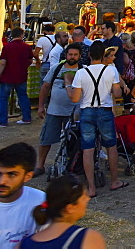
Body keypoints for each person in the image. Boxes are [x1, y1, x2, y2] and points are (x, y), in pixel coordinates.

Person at [68, 42, 125, 196]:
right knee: (111, 146)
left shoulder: (81, 73)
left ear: (89, 55)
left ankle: (91, 187)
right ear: (103, 56)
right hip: (105, 110)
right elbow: (118, 94)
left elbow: (75, 98)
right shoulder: (110, 71)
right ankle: (114, 181)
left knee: (88, 149)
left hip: (87, 111)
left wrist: (68, 86)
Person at [35, 42, 83, 176]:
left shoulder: (83, 71)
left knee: (73, 141)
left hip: (74, 114)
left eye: (75, 55)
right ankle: (40, 165)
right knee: (46, 139)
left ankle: (72, 165)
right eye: (70, 54)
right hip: (54, 111)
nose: (72, 57)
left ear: (79, 56)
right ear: (66, 55)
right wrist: (40, 106)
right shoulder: (56, 68)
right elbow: (45, 87)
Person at [21, 174, 106, 249]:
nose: (88, 199)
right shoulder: (88, 238)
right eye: (83, 198)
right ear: (70, 208)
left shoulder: (24, 244)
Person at [0, 26, 35, 128]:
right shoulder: (26, 47)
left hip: (8, 76)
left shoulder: (7, 47)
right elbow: (30, 60)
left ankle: (3, 121)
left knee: (3, 98)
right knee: (23, 96)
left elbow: (3, 63)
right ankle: (26, 117)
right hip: (21, 75)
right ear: (22, 35)